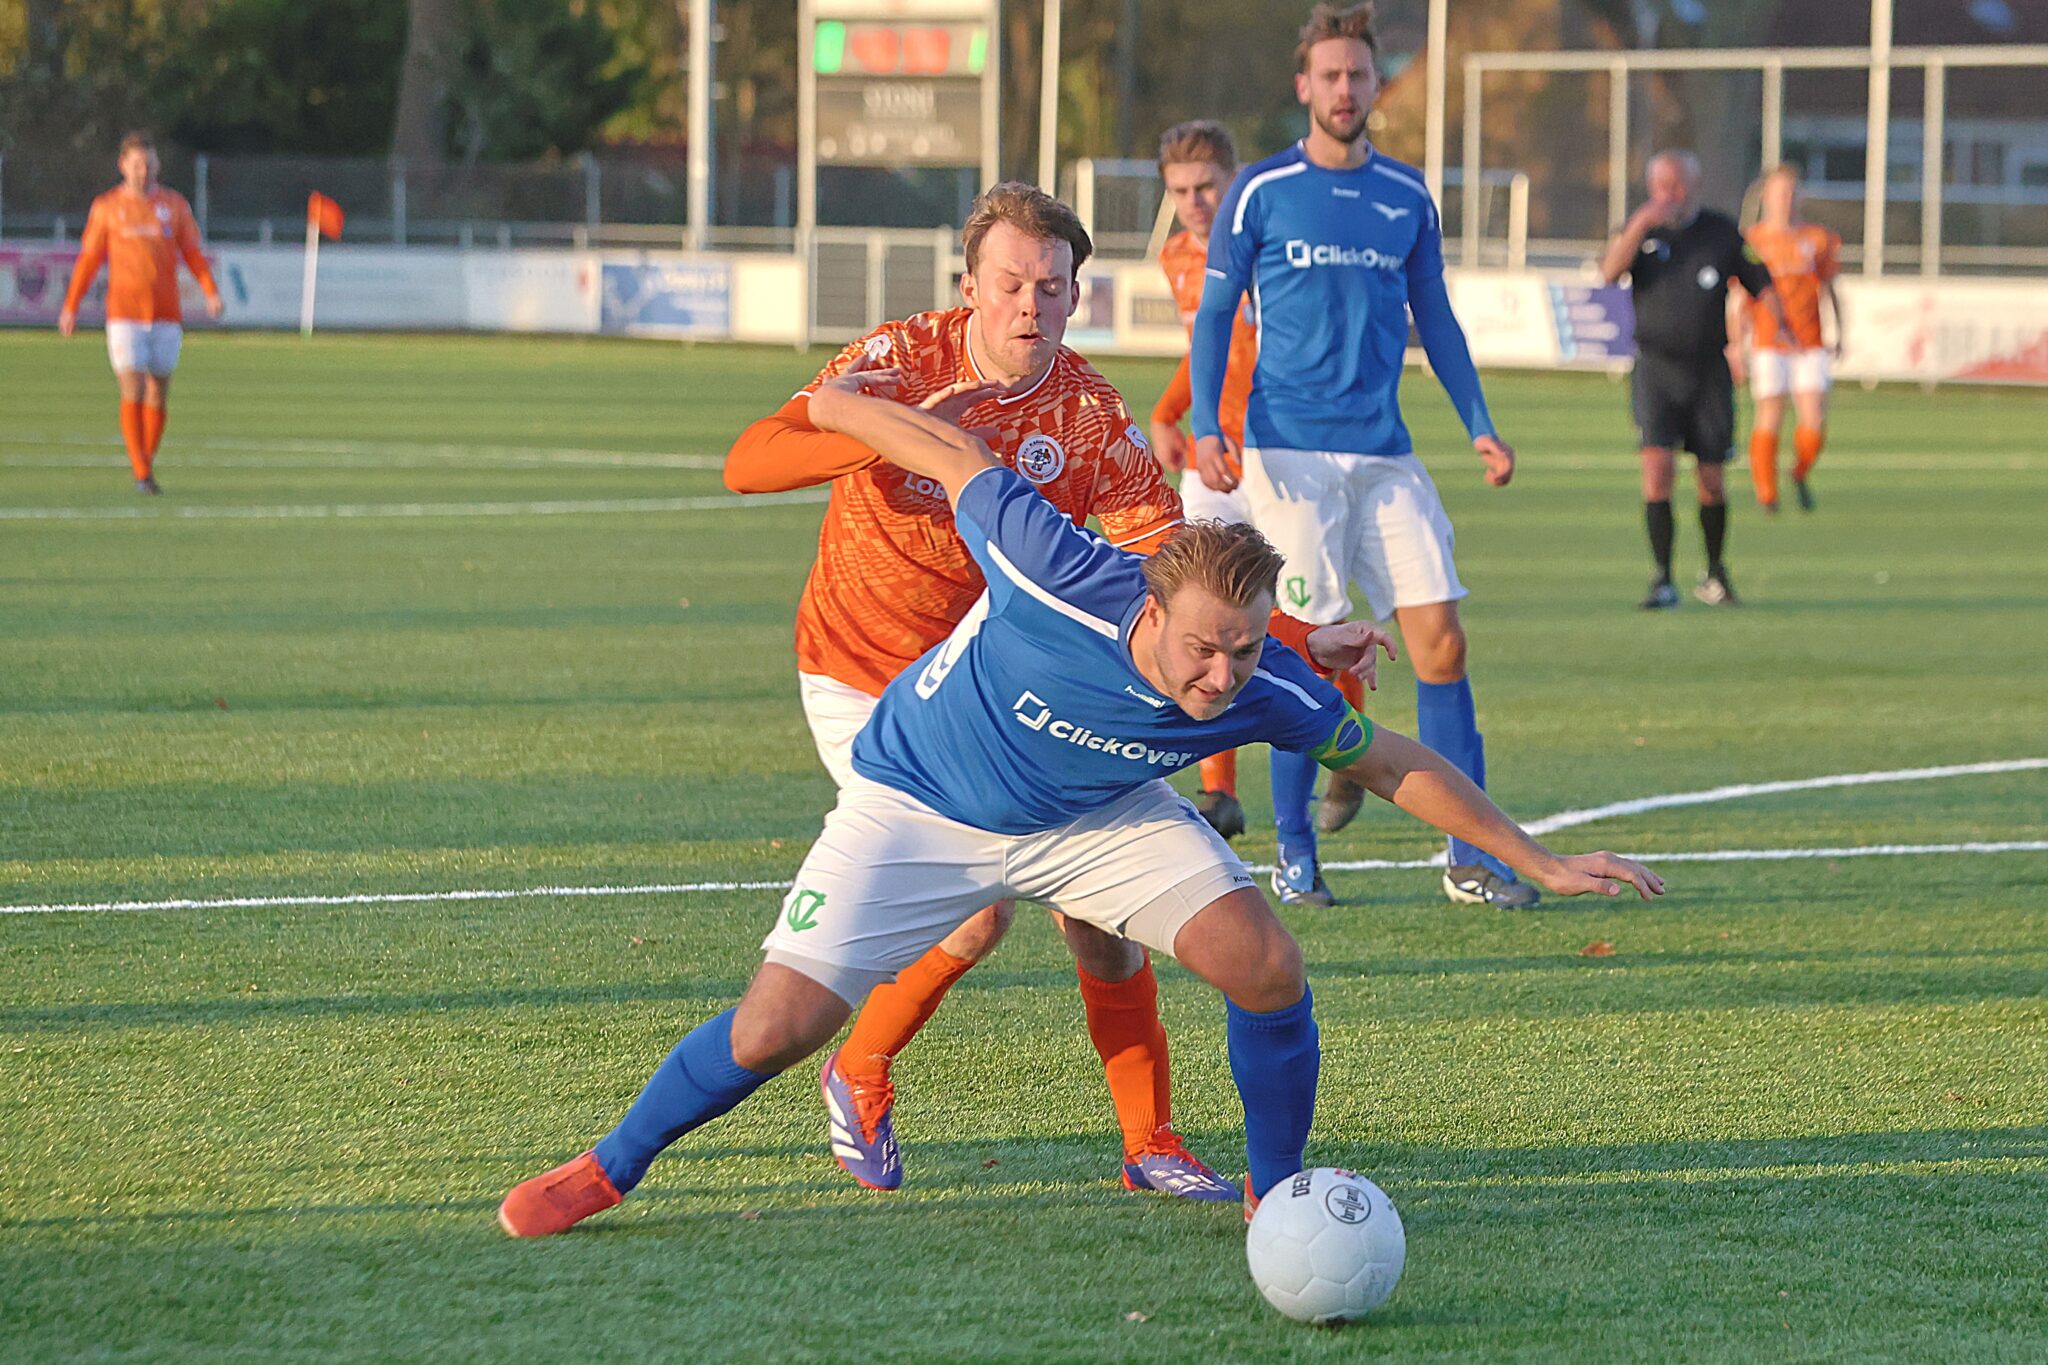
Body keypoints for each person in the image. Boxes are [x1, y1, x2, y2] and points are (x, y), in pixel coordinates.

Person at [497, 383, 1665, 1238]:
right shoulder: (1050, 566)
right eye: (1205, 650)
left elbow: (1388, 759)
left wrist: (1529, 853)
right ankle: (609, 1167)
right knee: (774, 1030)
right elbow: (951, 452)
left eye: (1244, 652)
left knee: (1262, 962)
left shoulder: (1261, 682)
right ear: (1153, 608)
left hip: (1098, 814)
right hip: (918, 802)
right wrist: (840, 404)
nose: (1220, 678)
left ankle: (1278, 1191)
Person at [722, 182, 1241, 1202]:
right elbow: (750, 461)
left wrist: (1302, 632)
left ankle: (1149, 1143)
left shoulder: (1087, 415)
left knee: (1098, 908)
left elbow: (1172, 568)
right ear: (970, 286)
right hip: (862, 672)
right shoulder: (900, 358)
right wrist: (891, 429)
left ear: (1074, 297)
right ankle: (858, 1070)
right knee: (972, 921)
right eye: (1009, 284)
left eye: (1050, 288)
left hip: (995, 682)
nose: (1028, 306)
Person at [1189, 3, 1532, 910]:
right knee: (1302, 656)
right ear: (1305, 86)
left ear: (1378, 84)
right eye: (1330, 75)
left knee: (1443, 643)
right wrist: (1204, 424)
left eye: (1360, 75)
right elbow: (1218, 316)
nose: (1346, 90)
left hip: (1386, 451)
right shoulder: (1259, 192)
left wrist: (1479, 422)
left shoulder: (1407, 196)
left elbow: (1439, 319)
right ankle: (1295, 855)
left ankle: (1469, 856)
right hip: (1289, 453)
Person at [1600, 150, 1785, 608]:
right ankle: (1662, 578)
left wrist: (1770, 334)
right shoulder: (1641, 232)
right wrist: (1640, 224)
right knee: (1657, 472)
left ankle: (1715, 574)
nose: (1669, 194)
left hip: (1708, 373)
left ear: (1695, 185)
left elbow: (1763, 287)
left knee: (1712, 478)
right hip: (1656, 370)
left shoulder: (1721, 232)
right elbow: (1607, 274)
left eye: (1677, 184)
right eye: (1661, 185)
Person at [1148, 119, 1262, 841]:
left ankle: (1347, 744)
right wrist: (1170, 413)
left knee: (1308, 616)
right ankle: (1218, 791)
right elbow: (1205, 348)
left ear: (1233, 178)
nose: (1194, 202)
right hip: (1211, 460)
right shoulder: (1177, 257)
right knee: (1202, 610)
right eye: (1181, 191)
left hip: (1284, 457)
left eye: (1206, 186)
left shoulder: (1267, 250)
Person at [58, 131, 225, 495]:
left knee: (159, 390)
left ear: (157, 166)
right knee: (132, 384)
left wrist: (210, 292)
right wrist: (70, 305)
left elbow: (193, 253)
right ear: (122, 165)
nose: (143, 171)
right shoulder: (106, 207)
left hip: (166, 314)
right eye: (137, 164)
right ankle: (141, 472)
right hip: (124, 314)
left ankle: (144, 462)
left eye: (149, 164)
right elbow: (89, 260)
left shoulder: (175, 205)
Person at [1732, 163, 1844, 515]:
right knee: (1771, 414)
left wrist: (1841, 331)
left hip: (1810, 342)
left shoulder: (1817, 239)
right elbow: (1739, 298)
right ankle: (1767, 494)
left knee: (1814, 420)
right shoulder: (1754, 241)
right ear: (1766, 196)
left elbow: (1829, 288)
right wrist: (1736, 343)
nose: (1787, 199)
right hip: (1768, 342)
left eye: (1793, 192)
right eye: (1780, 192)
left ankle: (1798, 472)